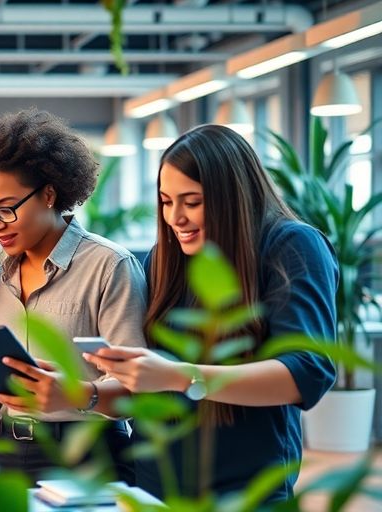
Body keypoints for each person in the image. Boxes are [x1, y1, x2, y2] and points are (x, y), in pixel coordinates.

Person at [85, 124, 338, 502]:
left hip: (245, 490)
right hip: (155, 485)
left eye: (192, 201)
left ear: (231, 196)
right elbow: (149, 384)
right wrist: (81, 391)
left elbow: (307, 371)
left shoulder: (291, 246)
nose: (175, 218)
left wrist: (181, 376)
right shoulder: (164, 260)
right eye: (166, 201)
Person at [0, 109, 147, 481]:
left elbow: (137, 389)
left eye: (6, 209)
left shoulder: (109, 267)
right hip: (10, 450)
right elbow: (4, 391)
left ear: (48, 194)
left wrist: (77, 393)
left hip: (90, 456)